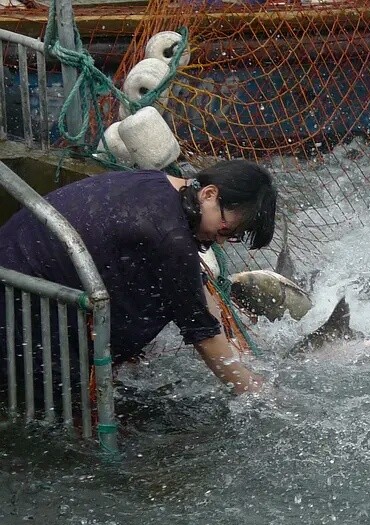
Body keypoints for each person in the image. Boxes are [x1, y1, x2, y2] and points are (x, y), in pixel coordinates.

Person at [0, 159, 276, 395]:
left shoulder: (156, 183)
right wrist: (255, 391)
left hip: (11, 274)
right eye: (227, 230)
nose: (223, 242)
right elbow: (202, 334)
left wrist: (232, 345)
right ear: (209, 194)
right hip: (18, 320)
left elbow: (196, 295)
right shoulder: (169, 236)